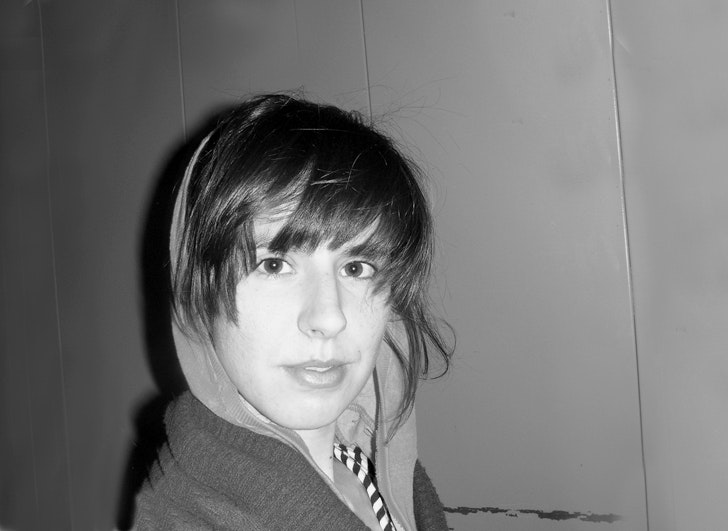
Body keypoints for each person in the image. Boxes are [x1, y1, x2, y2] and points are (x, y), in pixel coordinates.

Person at [134, 94, 453, 530]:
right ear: (201, 291)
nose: (330, 317)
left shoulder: (375, 466)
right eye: (274, 265)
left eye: (356, 268)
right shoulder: (182, 518)